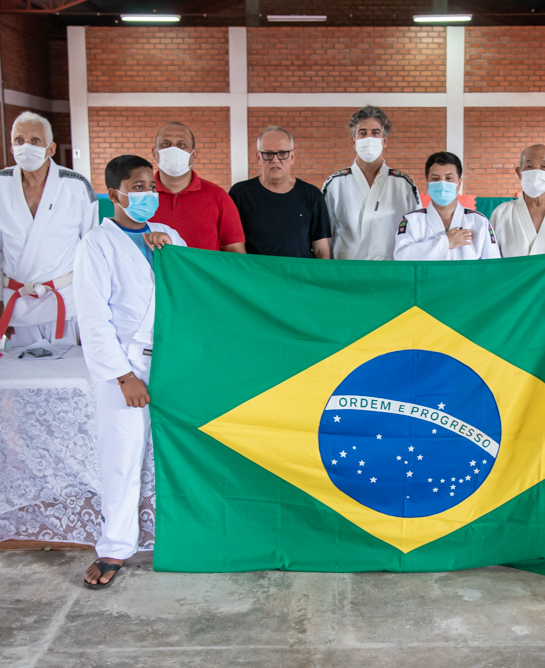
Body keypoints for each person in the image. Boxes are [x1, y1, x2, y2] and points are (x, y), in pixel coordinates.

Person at [75, 155, 186, 588]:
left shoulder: (169, 235)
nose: (146, 194)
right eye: (136, 186)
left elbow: (190, 287)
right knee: (121, 457)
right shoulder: (96, 244)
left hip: (172, 359)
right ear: (114, 194)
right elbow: (93, 317)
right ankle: (114, 547)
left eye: (150, 185)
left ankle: (174, 535)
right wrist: (124, 377)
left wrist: (170, 250)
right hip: (125, 364)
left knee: (176, 453)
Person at [0, 111, 98, 347]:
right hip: (17, 299)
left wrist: (93, 300)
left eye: (35, 140)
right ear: (12, 147)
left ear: (51, 148)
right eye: (19, 140)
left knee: (69, 376)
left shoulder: (76, 185)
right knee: (22, 376)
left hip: (65, 298)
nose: (26, 147)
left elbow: (91, 248)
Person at [322, 106, 419, 260]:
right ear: (353, 141)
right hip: (345, 272)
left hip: (389, 272)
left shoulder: (404, 185)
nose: (369, 138)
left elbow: (416, 233)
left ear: (385, 140)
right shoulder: (335, 184)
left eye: (375, 133)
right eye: (362, 133)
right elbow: (324, 238)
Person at [229, 127, 331, 259]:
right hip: (255, 277)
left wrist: (319, 279)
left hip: (298, 278)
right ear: (258, 157)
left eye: (283, 153)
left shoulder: (312, 195)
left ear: (292, 157)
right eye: (268, 154)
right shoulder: (240, 194)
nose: (275, 160)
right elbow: (232, 247)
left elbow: (321, 250)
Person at [151, 122, 245, 253]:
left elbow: (236, 253)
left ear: (194, 154)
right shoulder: (142, 197)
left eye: (181, 145)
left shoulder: (218, 197)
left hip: (204, 274)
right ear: (155, 152)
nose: (173, 150)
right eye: (165, 144)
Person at [394, 152, 501, 261]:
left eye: (449, 178)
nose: (442, 183)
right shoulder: (412, 221)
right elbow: (401, 256)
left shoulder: (479, 222)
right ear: (428, 184)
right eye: (435, 179)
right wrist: (446, 242)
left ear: (459, 183)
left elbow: (493, 265)